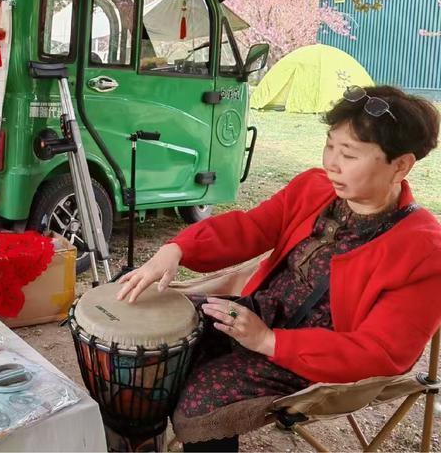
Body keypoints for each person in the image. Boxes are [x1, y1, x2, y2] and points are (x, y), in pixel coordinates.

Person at [116, 85, 441, 452]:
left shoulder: (424, 248)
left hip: (316, 359)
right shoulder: (313, 188)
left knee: (202, 398)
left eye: (348, 154)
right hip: (260, 314)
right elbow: (251, 227)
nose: (330, 162)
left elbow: (381, 353)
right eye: (330, 145)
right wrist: (177, 249)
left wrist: (269, 341)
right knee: (149, 331)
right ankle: (138, 440)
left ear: (401, 165)